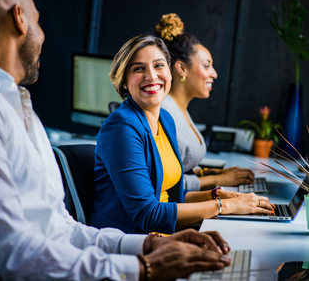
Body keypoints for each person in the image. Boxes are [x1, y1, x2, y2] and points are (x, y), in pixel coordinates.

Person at [0, 0, 233, 280]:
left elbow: (61, 230)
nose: (42, 35)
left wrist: (151, 245)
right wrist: (144, 267)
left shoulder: (16, 102)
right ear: (20, 18)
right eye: (38, 21)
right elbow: (10, 254)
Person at [90, 34, 275, 235]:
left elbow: (173, 198)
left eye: (159, 66)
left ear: (170, 72)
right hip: (128, 240)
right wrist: (225, 206)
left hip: (163, 234)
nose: (151, 76)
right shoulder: (121, 127)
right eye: (138, 68)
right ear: (124, 81)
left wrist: (221, 196)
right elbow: (148, 215)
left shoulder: (166, 120)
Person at [156, 13, 255, 191]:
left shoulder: (180, 109)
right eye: (207, 65)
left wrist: (214, 173)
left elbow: (183, 169)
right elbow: (167, 185)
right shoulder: (165, 113)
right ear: (182, 68)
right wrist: (218, 180)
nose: (214, 74)